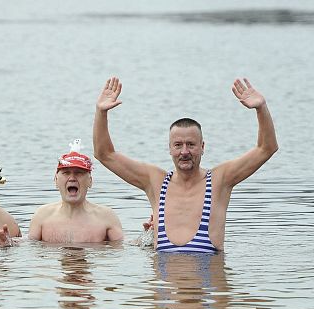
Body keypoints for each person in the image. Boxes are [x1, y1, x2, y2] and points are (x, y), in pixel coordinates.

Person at [93, 76, 278, 253]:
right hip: (165, 284)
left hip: (208, 283)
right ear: (169, 148)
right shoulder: (154, 181)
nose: (184, 152)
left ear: (202, 147)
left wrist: (261, 109)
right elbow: (105, 154)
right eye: (178, 145)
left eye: (191, 144)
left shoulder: (220, 180)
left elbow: (266, 148)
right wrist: (101, 112)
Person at [28, 139, 123, 243]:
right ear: (56, 180)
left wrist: (143, 240)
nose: (72, 178)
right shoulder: (42, 215)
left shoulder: (106, 217)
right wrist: (9, 243)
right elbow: (29, 246)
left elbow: (122, 247)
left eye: (79, 173)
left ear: (90, 181)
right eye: (66, 173)